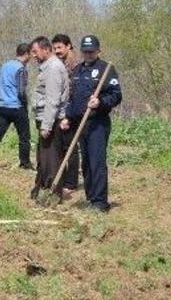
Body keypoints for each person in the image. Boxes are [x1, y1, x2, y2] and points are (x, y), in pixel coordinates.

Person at [60, 35, 122, 212]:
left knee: (97, 162)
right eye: (85, 51)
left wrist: (100, 102)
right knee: (86, 162)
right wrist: (68, 117)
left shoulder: (106, 69)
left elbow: (116, 95)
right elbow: (74, 100)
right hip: (81, 124)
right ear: (81, 51)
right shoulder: (78, 71)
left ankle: (100, 202)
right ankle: (90, 197)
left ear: (98, 51)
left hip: (98, 123)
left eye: (91, 51)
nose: (88, 54)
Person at [29, 36, 69, 201]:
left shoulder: (53, 68)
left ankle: (53, 194)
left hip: (51, 121)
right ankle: (42, 187)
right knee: (43, 158)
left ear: (46, 49)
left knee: (51, 159)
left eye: (35, 51)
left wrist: (47, 125)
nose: (33, 55)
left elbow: (53, 100)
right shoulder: (47, 67)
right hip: (46, 119)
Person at [52, 33, 80, 192]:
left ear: (69, 46)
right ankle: (65, 177)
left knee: (71, 146)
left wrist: (68, 116)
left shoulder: (75, 66)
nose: (57, 50)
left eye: (60, 47)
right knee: (62, 146)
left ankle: (71, 182)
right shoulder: (60, 63)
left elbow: (73, 92)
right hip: (61, 111)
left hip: (71, 111)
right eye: (54, 48)